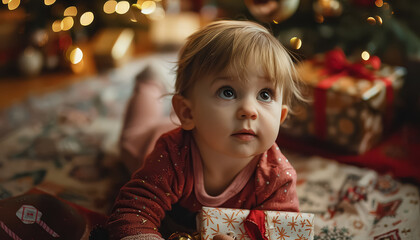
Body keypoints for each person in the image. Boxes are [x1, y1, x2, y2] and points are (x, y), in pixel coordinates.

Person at [107, 20, 304, 240]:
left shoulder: (277, 176)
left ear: (281, 117)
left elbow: (282, 234)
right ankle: (150, 81)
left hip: (193, 126)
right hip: (146, 143)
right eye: (227, 92)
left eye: (265, 94)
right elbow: (131, 212)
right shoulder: (171, 154)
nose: (249, 110)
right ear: (188, 113)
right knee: (134, 131)